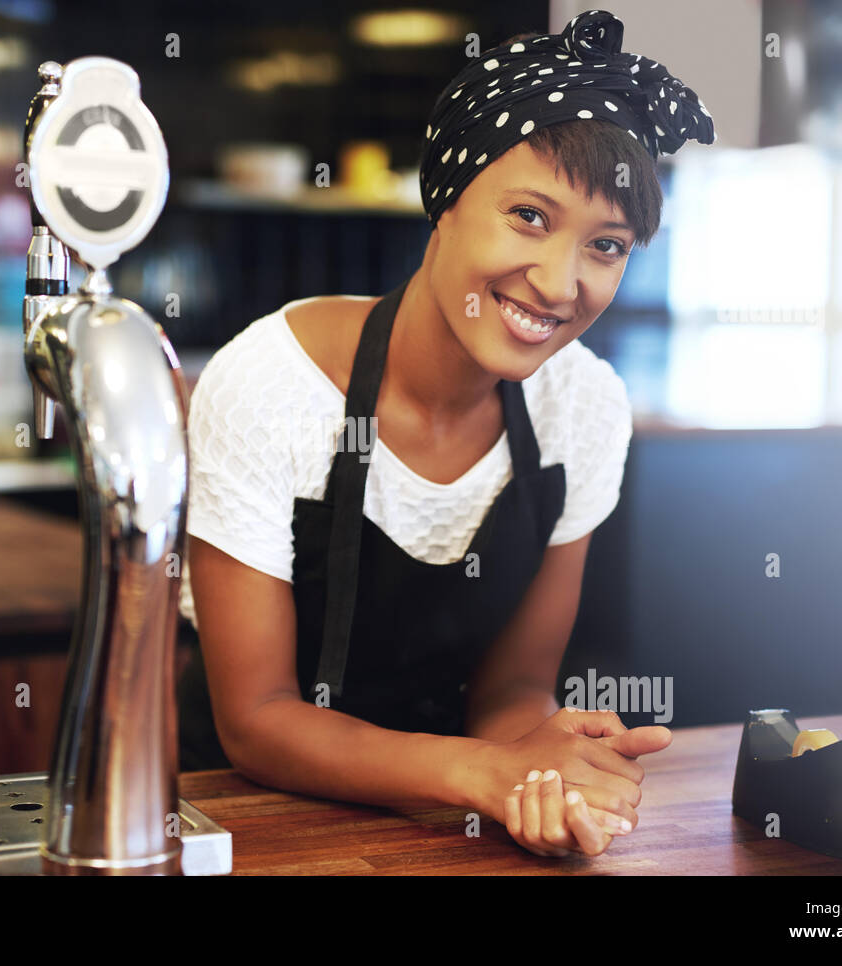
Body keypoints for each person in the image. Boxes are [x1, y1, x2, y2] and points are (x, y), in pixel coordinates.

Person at [176, 9, 715, 858]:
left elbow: (515, 685)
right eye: (530, 217)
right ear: (448, 200)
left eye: (606, 245)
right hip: (241, 829)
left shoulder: (586, 409)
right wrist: (483, 775)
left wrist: (544, 776)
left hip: (437, 838)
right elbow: (257, 721)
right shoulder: (269, 383)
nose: (558, 282)